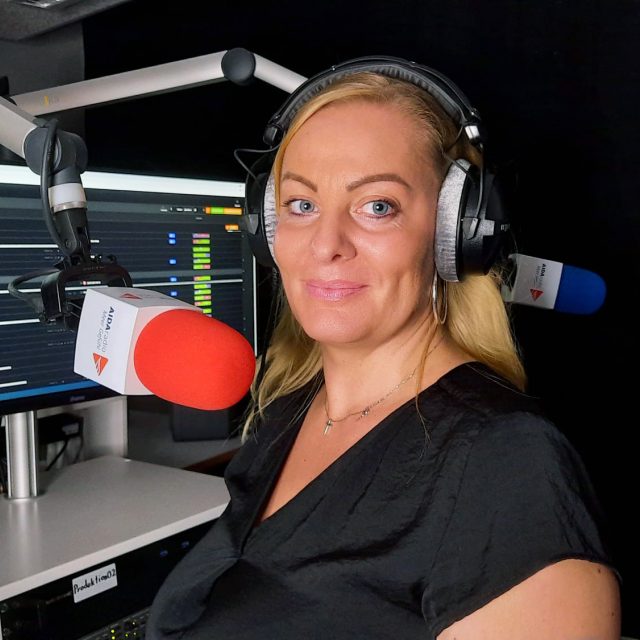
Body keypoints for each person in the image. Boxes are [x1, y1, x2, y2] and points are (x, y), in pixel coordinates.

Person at [147, 57, 621, 639]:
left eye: (378, 206)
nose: (325, 244)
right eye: (301, 205)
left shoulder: (507, 464)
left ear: (452, 234)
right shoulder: (290, 406)